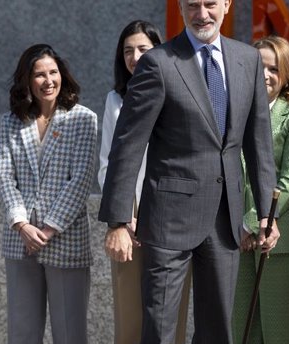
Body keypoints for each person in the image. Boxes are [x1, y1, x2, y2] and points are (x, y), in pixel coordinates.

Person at [98, 0, 279, 344]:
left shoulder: (247, 61)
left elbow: (258, 144)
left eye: (210, 4)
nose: (202, 14)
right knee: (160, 329)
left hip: (225, 219)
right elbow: (128, 145)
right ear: (180, 6)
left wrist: (265, 213)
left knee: (218, 330)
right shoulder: (159, 63)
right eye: (193, 5)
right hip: (167, 220)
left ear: (227, 4)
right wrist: (117, 220)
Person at [0, 44, 97, 344]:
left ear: (63, 75)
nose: (48, 80)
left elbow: (81, 180)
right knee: (22, 332)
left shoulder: (83, 119)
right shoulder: (11, 122)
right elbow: (4, 176)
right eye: (39, 74)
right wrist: (22, 225)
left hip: (65, 238)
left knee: (70, 332)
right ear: (27, 80)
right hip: (20, 240)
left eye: (53, 72)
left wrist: (48, 229)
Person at [98, 20, 191, 344]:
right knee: (129, 309)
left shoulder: (179, 91)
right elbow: (108, 163)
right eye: (127, 51)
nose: (134, 56)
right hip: (130, 212)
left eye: (142, 48)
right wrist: (123, 214)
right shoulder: (115, 100)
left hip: (173, 212)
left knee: (171, 312)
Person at [232, 35, 289, 344]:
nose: (265, 75)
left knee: (277, 332)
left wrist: (251, 221)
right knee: (240, 327)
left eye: (273, 68)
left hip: (279, 238)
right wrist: (236, 223)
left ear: (287, 74)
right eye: (259, 67)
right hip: (235, 236)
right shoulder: (233, 112)